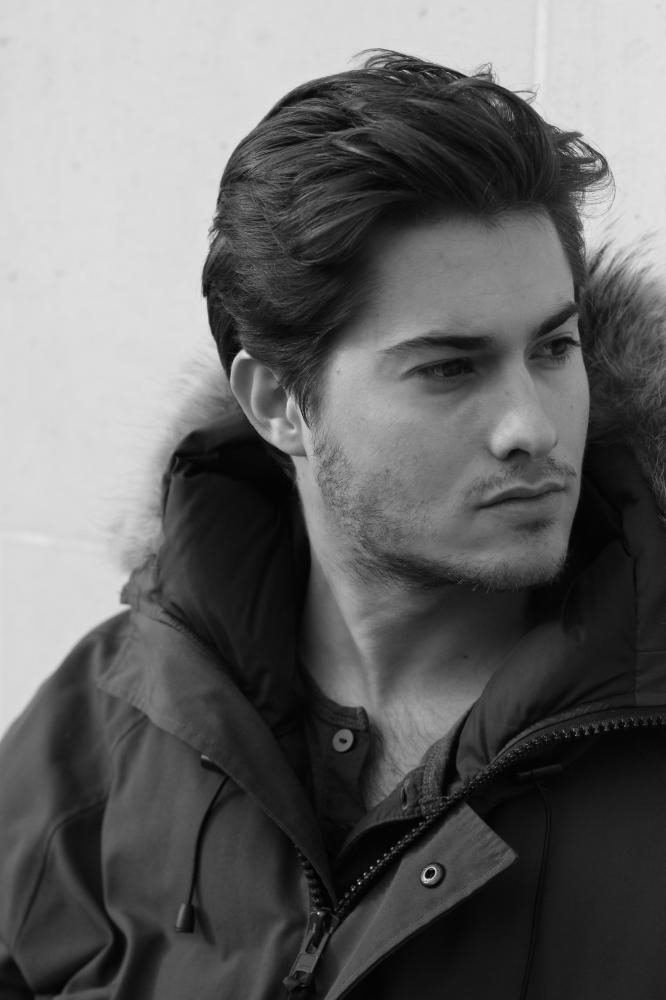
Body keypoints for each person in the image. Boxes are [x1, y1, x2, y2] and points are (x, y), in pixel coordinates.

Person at [1, 49, 665, 1000]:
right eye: (449, 368)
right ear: (279, 403)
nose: (533, 426)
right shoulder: (108, 718)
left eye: (554, 348)